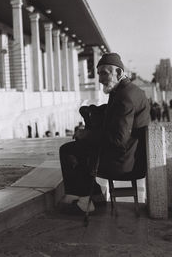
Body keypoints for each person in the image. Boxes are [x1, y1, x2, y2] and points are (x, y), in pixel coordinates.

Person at [59, 53, 150, 214]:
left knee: (69, 151)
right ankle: (96, 196)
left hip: (123, 163)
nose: (100, 79)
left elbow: (118, 139)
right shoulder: (129, 91)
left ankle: (85, 199)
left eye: (104, 73)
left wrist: (85, 135)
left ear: (119, 73)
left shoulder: (125, 97)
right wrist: (94, 110)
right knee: (79, 147)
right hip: (130, 157)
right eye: (99, 73)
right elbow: (114, 114)